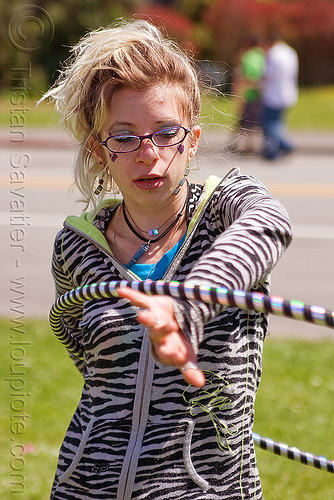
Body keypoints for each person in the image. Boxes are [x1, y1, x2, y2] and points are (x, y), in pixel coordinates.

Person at [42, 19, 292, 499]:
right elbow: (87, 360)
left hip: (209, 488)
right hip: (87, 486)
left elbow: (271, 223)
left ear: (193, 140)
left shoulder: (226, 210)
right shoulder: (76, 247)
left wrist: (185, 309)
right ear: (100, 150)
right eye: (125, 136)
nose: (148, 153)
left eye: (165, 132)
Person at [261, 36, 299, 160]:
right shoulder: (290, 52)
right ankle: (276, 148)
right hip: (288, 92)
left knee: (270, 123)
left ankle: (285, 146)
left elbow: (267, 74)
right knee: (278, 122)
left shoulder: (274, 54)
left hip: (274, 93)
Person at [232, 37, 266, 154]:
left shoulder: (245, 56)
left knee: (245, 121)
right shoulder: (263, 56)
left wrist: (237, 94)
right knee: (255, 121)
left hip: (248, 91)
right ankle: (253, 146)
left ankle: (244, 146)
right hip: (260, 92)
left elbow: (241, 76)